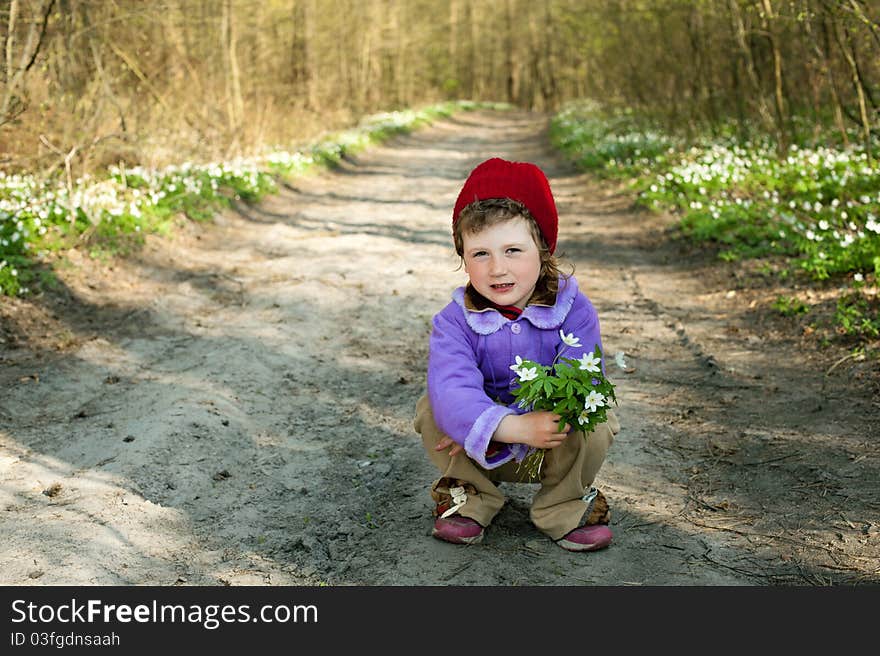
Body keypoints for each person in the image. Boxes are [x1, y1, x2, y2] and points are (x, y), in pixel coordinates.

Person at [413, 157, 620, 552]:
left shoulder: (573, 309)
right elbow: (452, 386)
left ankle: (564, 504)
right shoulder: (455, 321)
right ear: (463, 256)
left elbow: (582, 377)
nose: (497, 268)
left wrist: (536, 424)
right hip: (481, 448)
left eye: (512, 250)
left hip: (552, 441)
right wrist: (497, 426)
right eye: (480, 254)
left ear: (542, 248)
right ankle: (470, 496)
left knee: (597, 413)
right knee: (434, 409)